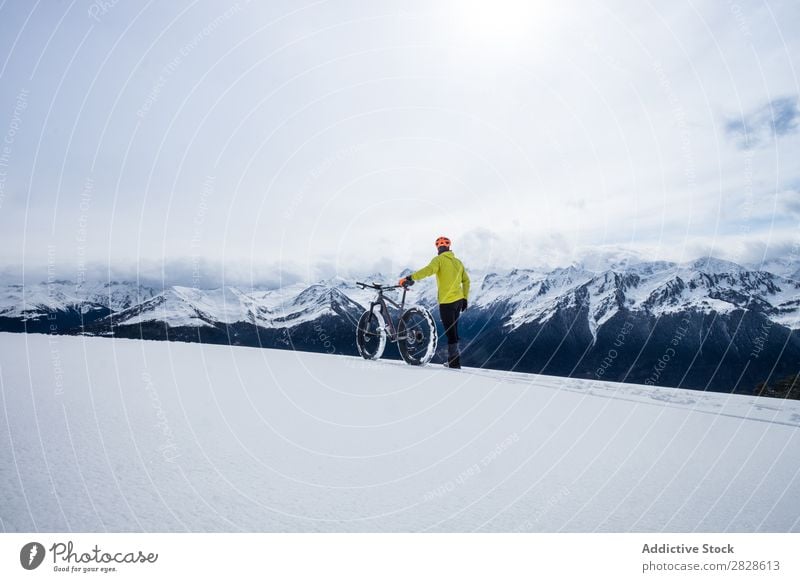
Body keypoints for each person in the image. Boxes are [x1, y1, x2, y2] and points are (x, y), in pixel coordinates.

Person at [399, 236, 470, 369]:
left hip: (447, 302)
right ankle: (454, 361)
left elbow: (427, 271)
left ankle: (454, 363)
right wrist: (465, 298)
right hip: (459, 300)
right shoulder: (458, 262)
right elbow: (466, 281)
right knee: (453, 330)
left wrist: (410, 277)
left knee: (451, 333)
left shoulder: (439, 260)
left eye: (440, 246)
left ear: (438, 248)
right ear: (449, 247)